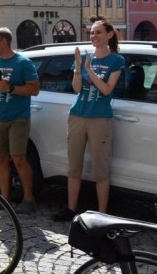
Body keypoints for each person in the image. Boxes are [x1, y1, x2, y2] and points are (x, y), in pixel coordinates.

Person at [52, 19, 124, 221]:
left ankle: (102, 215)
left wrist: (90, 69)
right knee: (74, 166)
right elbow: (76, 88)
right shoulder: (85, 57)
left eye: (98, 32)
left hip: (99, 118)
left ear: (109, 35)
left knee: (100, 170)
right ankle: (71, 209)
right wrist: (78, 67)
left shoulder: (116, 60)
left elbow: (107, 89)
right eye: (92, 33)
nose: (94, 36)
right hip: (78, 115)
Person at [0, 27, 41, 214]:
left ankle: (29, 198)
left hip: (18, 118)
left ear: (3, 42)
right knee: (1, 158)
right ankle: (5, 198)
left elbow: (34, 89)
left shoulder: (23, 62)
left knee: (19, 158)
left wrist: (11, 89)